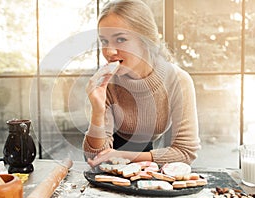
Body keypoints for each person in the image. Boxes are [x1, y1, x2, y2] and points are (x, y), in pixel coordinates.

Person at [83, 0, 200, 167]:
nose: (109, 52)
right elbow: (94, 158)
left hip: (143, 157)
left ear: (147, 40)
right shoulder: (106, 83)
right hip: (110, 162)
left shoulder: (178, 80)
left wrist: (122, 155)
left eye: (121, 39)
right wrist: (97, 110)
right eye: (104, 41)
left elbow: (185, 152)